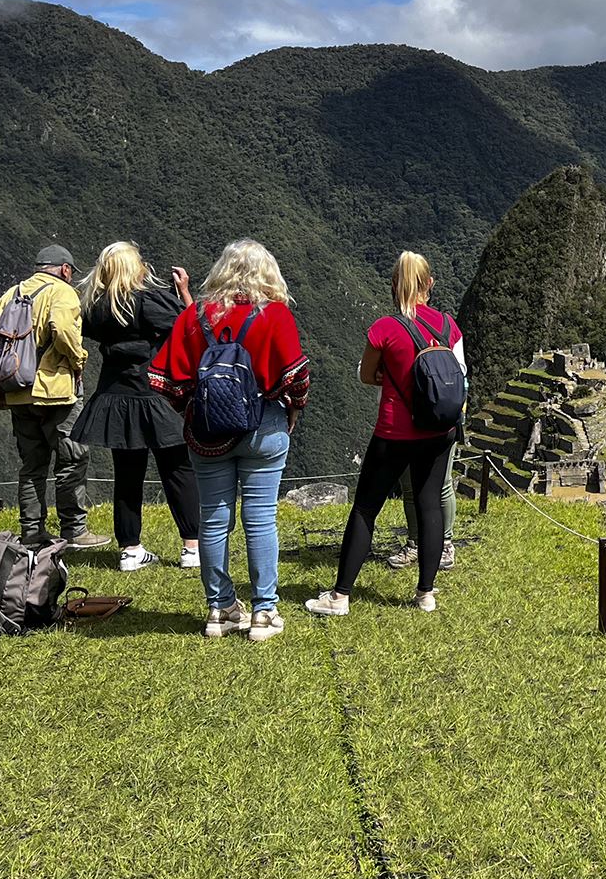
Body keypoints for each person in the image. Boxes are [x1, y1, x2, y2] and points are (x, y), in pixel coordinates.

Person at [150, 239, 309, 641]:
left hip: (207, 436)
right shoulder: (275, 315)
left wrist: (190, 409)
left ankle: (219, 610)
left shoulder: (194, 315)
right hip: (264, 427)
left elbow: (163, 380)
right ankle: (263, 612)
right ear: (267, 273)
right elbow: (297, 376)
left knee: (214, 520)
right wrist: (292, 410)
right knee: (259, 518)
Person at [307, 251, 463, 618]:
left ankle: (341, 595)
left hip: (395, 431)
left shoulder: (385, 328)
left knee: (365, 508)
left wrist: (388, 373)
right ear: (430, 284)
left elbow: (366, 374)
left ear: (394, 285)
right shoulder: (447, 325)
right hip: (440, 430)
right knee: (429, 506)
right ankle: (425, 593)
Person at [71, 241, 200, 571]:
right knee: (177, 469)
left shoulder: (96, 306)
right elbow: (191, 329)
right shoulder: (147, 301)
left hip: (115, 396)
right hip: (153, 393)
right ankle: (192, 546)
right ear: (134, 267)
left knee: (127, 475)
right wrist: (183, 291)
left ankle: (130, 549)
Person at [0, 244, 106, 549]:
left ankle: (32, 532)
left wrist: (8, 361)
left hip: (18, 390)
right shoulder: (63, 292)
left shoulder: (14, 292)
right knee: (71, 459)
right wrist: (78, 359)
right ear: (65, 270)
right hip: (56, 392)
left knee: (32, 464)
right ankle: (74, 530)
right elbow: (62, 328)